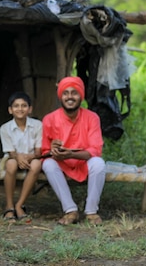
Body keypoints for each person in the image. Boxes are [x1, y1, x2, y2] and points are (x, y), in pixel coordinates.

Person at [41, 76, 105, 225]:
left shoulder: (92, 117)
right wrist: (53, 151)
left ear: (81, 96)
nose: (70, 97)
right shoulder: (49, 119)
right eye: (65, 93)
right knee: (48, 164)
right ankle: (70, 210)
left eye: (74, 93)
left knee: (99, 163)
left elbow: (95, 150)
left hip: (83, 161)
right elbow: (44, 151)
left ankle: (91, 212)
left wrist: (71, 154)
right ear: (61, 96)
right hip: (61, 164)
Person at [0, 91, 43, 222]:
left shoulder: (38, 125)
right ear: (10, 110)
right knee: (11, 165)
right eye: (16, 106)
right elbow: (10, 152)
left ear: (30, 109)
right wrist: (18, 158)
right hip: (13, 158)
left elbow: (38, 151)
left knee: (37, 165)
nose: (20, 109)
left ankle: (19, 205)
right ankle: (9, 206)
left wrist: (28, 157)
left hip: (32, 158)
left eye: (24, 105)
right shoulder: (5, 128)